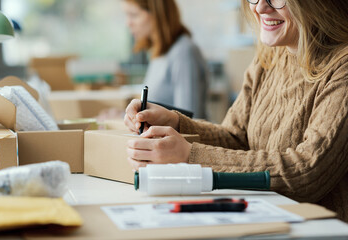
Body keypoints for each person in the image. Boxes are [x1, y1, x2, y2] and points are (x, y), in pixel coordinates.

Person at [123, 0, 348, 222]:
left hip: (320, 229)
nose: (260, 7)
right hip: (267, 217)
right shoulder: (268, 59)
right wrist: (176, 123)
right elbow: (235, 136)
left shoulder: (342, 68)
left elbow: (307, 172)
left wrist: (190, 156)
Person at [122, 0, 209, 119]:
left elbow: (190, 121)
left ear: (157, 14)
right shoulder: (159, 53)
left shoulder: (183, 52)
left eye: (134, 15)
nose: (128, 23)